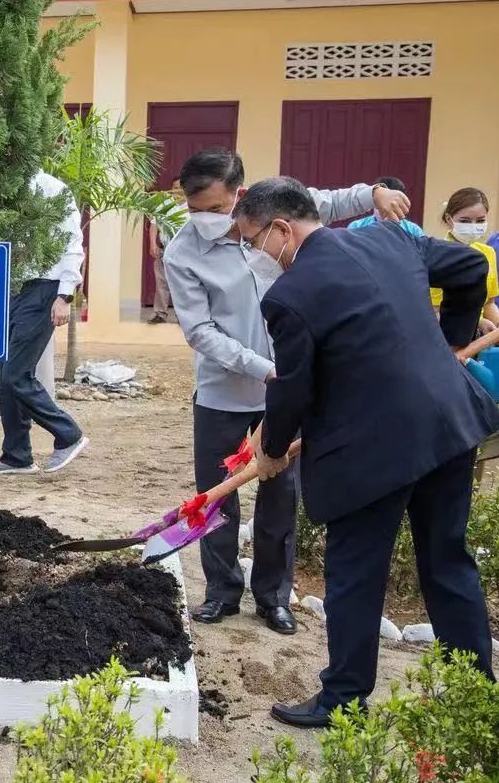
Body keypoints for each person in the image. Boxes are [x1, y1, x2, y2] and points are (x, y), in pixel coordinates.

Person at [236, 176, 499, 727]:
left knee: (355, 573)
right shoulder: (390, 239)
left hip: (372, 451)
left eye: (253, 241)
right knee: (447, 561)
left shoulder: (289, 296)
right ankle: (473, 691)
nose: (254, 253)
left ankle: (343, 698)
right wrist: (451, 343)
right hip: (447, 426)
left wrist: (272, 450)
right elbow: (471, 268)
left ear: (282, 229)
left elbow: (293, 387)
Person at [162, 147, 412, 636]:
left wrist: (374, 193)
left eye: (216, 209)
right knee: (217, 498)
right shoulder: (182, 252)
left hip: (286, 395)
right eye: (195, 209)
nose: (205, 219)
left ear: (240, 194)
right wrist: (266, 370)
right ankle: (221, 592)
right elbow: (200, 331)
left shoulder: (273, 211)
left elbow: (327, 203)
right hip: (221, 394)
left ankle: (273, 597)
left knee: (279, 496)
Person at [0, 170, 88, 475]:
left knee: (16, 375)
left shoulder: (53, 190)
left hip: (45, 288)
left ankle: (68, 434)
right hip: (12, 288)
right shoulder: (1, 188)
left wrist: (65, 295)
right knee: (6, 378)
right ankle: (16, 456)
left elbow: (72, 244)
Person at [433, 188, 498, 333]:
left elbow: (489, 304)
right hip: (446, 335)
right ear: (449, 219)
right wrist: (478, 322)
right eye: (465, 221)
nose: (473, 226)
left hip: (480, 336)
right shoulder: (437, 255)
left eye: (480, 220)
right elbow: (434, 311)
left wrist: (498, 323)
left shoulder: (488, 253)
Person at [146, 177, 189, 324]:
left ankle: (182, 315)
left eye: (180, 187)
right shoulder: (164, 205)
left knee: (182, 283)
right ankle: (160, 313)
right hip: (164, 249)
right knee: (161, 282)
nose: (177, 190)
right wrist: (153, 244)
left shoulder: (192, 206)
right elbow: (154, 225)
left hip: (184, 252)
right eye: (175, 187)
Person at [347, 176, 425, 236]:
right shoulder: (356, 227)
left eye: (393, 204)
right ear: (372, 200)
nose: (386, 208)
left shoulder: (414, 231)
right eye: (380, 203)